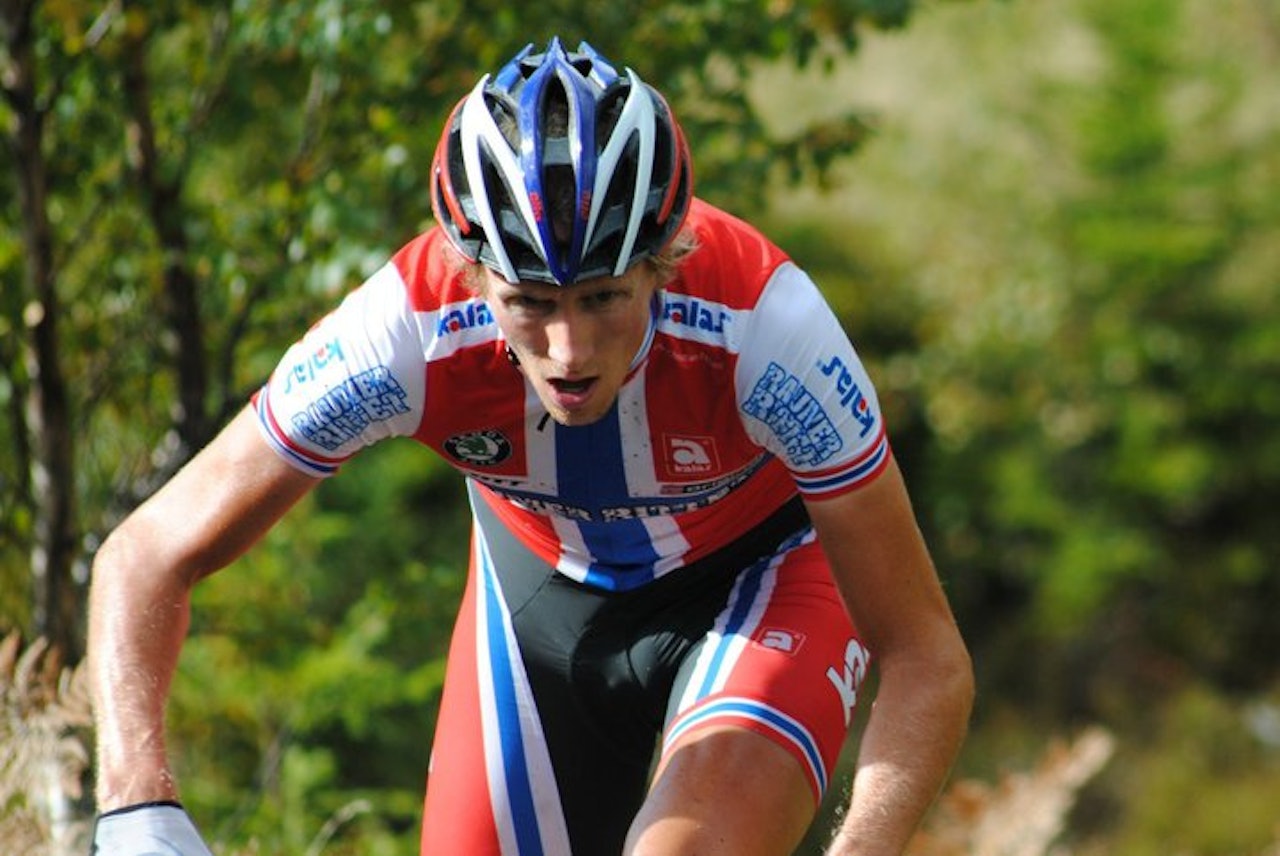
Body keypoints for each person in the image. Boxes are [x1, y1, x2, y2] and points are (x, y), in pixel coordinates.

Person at [87, 37, 974, 856]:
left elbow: (926, 656)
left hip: (761, 578)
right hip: (539, 598)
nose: (568, 350)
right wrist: (136, 801)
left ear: (663, 261)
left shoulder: (766, 330)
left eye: (602, 299)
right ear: (473, 277)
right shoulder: (406, 331)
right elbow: (146, 553)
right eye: (530, 305)